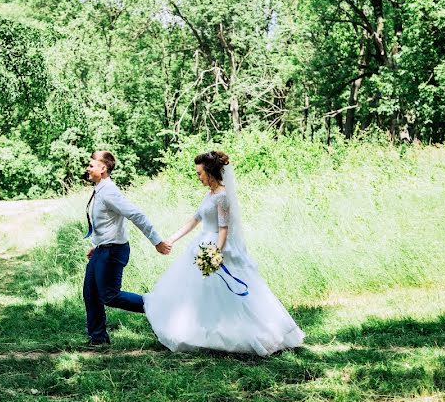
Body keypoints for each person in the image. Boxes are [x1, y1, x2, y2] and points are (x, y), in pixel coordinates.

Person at [143, 151, 304, 355]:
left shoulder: (223, 197)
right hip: (201, 243)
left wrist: (214, 254)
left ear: (210, 172)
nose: (198, 177)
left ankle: (241, 333)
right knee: (200, 294)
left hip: (216, 246)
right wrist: (172, 239)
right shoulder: (209, 194)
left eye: (200, 173)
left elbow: (224, 230)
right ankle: (204, 332)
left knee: (227, 295)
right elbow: (194, 220)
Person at [83, 150, 171, 346]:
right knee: (91, 293)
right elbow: (105, 222)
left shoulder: (110, 192)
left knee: (109, 295)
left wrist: (156, 241)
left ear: (103, 168)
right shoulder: (100, 189)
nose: (87, 168)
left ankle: (157, 306)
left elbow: (136, 215)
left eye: (91, 165)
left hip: (113, 251)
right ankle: (98, 339)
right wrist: (94, 245)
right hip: (102, 249)